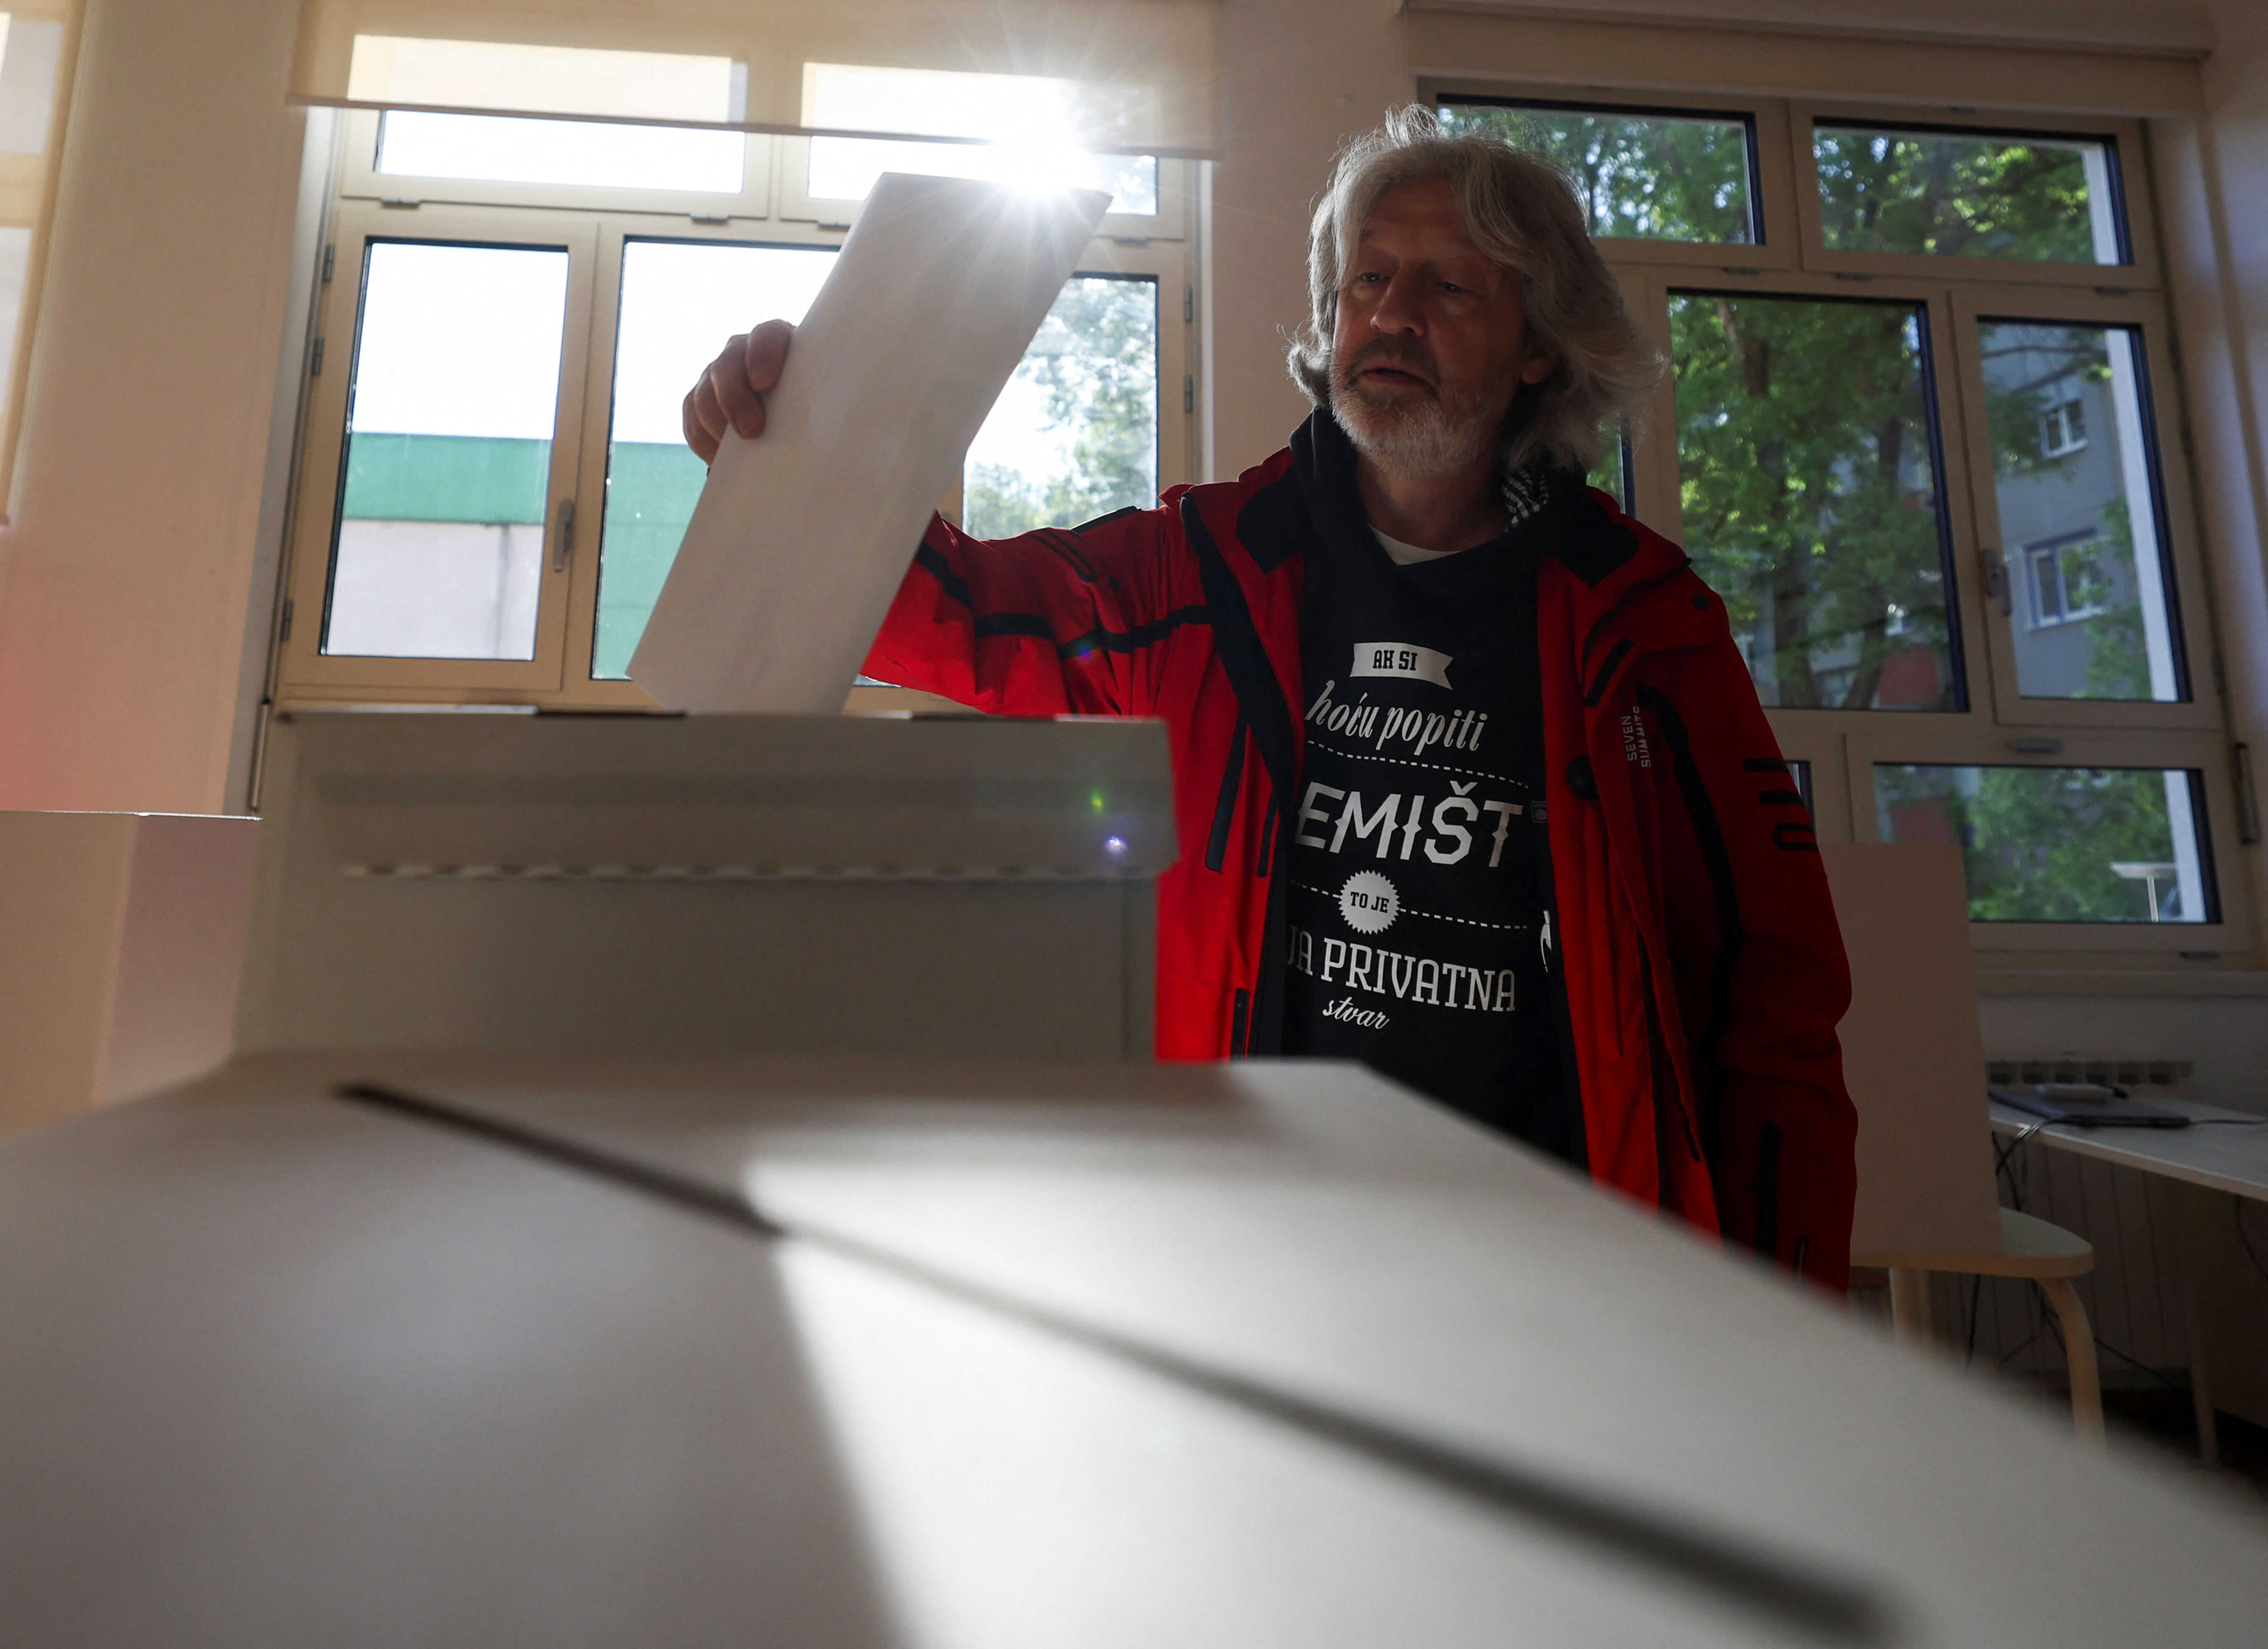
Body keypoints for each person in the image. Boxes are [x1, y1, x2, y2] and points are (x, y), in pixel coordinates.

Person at [683, 108, 1858, 1290]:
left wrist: (1788, 1312)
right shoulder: (1204, 566)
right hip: (1250, 1258)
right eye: (1368, 278)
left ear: (1538, 345)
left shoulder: (1645, 623)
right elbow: (962, 614)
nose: (1390, 316)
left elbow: (1772, 1006)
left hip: (1545, 1273)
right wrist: (800, 441)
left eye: (1448, 287)